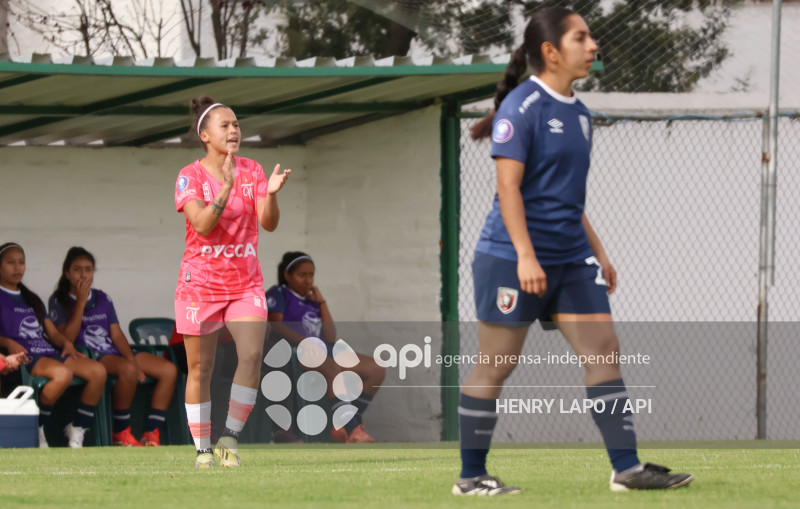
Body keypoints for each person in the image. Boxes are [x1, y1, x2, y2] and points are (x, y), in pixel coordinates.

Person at [454, 7, 693, 495]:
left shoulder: (580, 113)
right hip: (510, 258)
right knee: (496, 364)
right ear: (550, 51)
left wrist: (599, 253)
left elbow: (566, 197)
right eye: (581, 38)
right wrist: (524, 255)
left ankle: (626, 469)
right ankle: (471, 476)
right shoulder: (522, 107)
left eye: (590, 37)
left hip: (571, 260)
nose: (592, 45)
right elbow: (508, 189)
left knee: (604, 350)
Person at [174, 96, 291, 468]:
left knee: (253, 354)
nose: (234, 130)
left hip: (244, 283)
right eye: (225, 126)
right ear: (205, 135)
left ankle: (230, 439)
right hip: (200, 284)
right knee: (201, 368)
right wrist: (225, 186)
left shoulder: (254, 170)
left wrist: (269, 195)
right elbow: (204, 225)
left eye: (237, 124)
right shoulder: (188, 176)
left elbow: (268, 223)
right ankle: (203, 450)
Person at [49, 247, 178, 447]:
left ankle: (151, 432)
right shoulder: (59, 299)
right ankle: (121, 432)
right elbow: (67, 339)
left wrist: (132, 360)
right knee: (127, 370)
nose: (83, 274)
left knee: (168, 370)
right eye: (77, 269)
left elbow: (116, 334)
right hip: (90, 354)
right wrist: (81, 304)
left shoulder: (102, 297)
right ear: (67, 273)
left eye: (88, 269)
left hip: (113, 350)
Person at [266, 252, 385, 444]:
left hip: (322, 351)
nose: (308, 280)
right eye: (302, 275)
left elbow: (330, 336)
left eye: (311, 275)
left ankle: (344, 424)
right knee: (331, 367)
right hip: (295, 352)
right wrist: (304, 342)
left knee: (375, 369)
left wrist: (321, 302)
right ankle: (353, 429)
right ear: (288, 275)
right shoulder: (279, 293)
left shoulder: (312, 302)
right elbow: (276, 325)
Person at [0, 242, 107, 448]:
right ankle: (38, 428)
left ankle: (78, 427)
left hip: (48, 352)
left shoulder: (31, 298)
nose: (17, 267)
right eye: (10, 263)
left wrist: (67, 344)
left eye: (21, 262)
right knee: (62, 374)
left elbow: (53, 333)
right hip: (25, 356)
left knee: (98, 371)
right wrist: (6, 341)